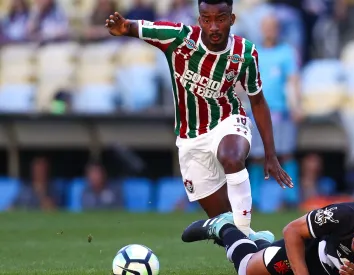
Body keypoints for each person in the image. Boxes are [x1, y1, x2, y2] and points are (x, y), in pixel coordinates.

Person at [104, 0, 293, 240]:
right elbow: (132, 27)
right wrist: (121, 28)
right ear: (199, 19)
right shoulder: (177, 38)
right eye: (207, 19)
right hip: (191, 138)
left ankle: (246, 235)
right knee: (224, 227)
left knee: (232, 158)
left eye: (221, 19)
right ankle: (255, 243)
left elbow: (257, 101)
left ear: (232, 20)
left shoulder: (245, 53)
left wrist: (270, 154)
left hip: (228, 119)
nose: (213, 26)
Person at [182, 202, 354, 275]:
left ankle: (261, 242)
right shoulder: (345, 215)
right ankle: (224, 227)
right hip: (315, 253)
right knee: (247, 270)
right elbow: (292, 230)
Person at [248, 14, 302, 209]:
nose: (270, 31)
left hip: (280, 111)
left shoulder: (287, 52)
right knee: (256, 156)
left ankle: (290, 197)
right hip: (255, 110)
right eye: (267, 27)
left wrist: (296, 105)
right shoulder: (253, 51)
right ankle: (254, 199)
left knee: (285, 153)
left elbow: (293, 79)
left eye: (273, 27)